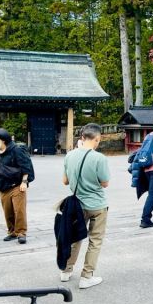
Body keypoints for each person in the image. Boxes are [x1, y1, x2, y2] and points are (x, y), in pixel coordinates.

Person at [61, 124, 110, 289]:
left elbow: (65, 181)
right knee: (95, 241)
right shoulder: (100, 158)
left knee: (75, 238)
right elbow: (105, 183)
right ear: (98, 138)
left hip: (77, 205)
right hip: (97, 205)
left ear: (82, 137)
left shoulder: (69, 156)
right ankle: (86, 276)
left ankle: (66, 270)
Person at [0, 128, 35, 244]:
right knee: (7, 211)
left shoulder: (16, 150)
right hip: (3, 185)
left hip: (17, 185)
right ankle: (12, 232)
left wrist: (24, 182)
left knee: (19, 210)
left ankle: (21, 233)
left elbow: (26, 166)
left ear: (3, 140)